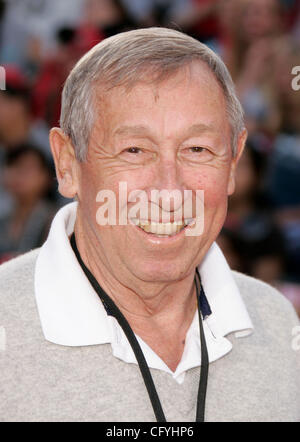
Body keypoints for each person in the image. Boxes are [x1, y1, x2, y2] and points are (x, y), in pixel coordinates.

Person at [0, 27, 299, 423]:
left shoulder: (277, 324)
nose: (169, 190)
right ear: (67, 164)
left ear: (233, 162)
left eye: (197, 149)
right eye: (134, 150)